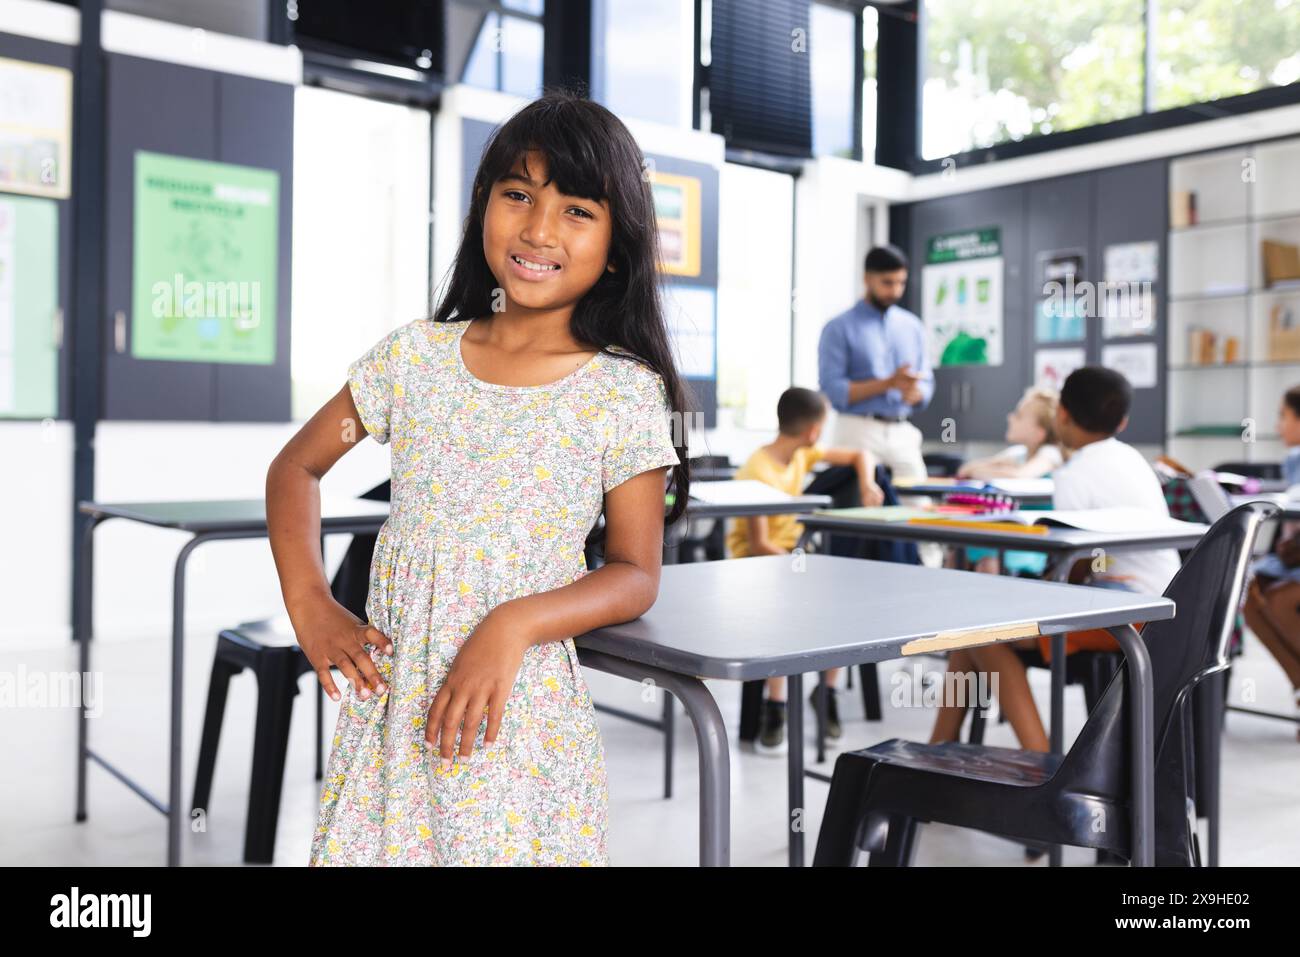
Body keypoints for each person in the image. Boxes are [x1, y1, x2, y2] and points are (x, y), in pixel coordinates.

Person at [266, 91, 689, 866]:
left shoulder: (624, 392)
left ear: (617, 246)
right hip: (391, 709)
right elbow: (297, 465)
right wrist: (311, 604)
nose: (537, 229)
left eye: (576, 211)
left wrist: (511, 623)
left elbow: (635, 573)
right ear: (483, 207)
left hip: (518, 716)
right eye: (518, 195)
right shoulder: (414, 361)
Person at [929, 367, 1179, 755]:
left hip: (1126, 611)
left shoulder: (1075, 473)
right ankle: (937, 749)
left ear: (1062, 414)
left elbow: (1075, 566)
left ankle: (1042, 762)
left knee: (980, 632)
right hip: (1163, 600)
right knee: (972, 632)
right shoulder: (1132, 459)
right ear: (1124, 421)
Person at [725, 387, 883, 753]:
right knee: (787, 611)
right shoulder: (757, 470)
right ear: (814, 430)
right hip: (756, 565)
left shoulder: (802, 452)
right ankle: (775, 705)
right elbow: (759, 544)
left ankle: (825, 693)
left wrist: (867, 482)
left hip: (791, 557)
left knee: (844, 599)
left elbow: (863, 454)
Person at [817, 244, 939, 565]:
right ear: (868, 279)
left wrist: (918, 392)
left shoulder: (912, 326)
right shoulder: (838, 327)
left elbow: (926, 383)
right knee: (856, 511)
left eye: (900, 283)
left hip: (901, 429)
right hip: (857, 429)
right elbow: (834, 390)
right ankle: (849, 574)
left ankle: (928, 573)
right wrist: (887, 383)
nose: (895, 290)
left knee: (920, 506)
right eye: (887, 283)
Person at [1241, 385, 1300, 738]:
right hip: (1290, 559)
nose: (1278, 425)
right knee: (1250, 597)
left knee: (1278, 601)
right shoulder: (1292, 461)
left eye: (1283, 416)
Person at [958, 385, 1065, 577]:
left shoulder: (1050, 454)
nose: (1010, 417)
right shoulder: (1019, 454)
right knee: (962, 547)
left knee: (989, 559)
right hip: (1011, 527)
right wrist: (992, 469)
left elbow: (1020, 475)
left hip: (1037, 537)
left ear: (1039, 433)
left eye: (1019, 415)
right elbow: (967, 469)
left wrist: (991, 471)